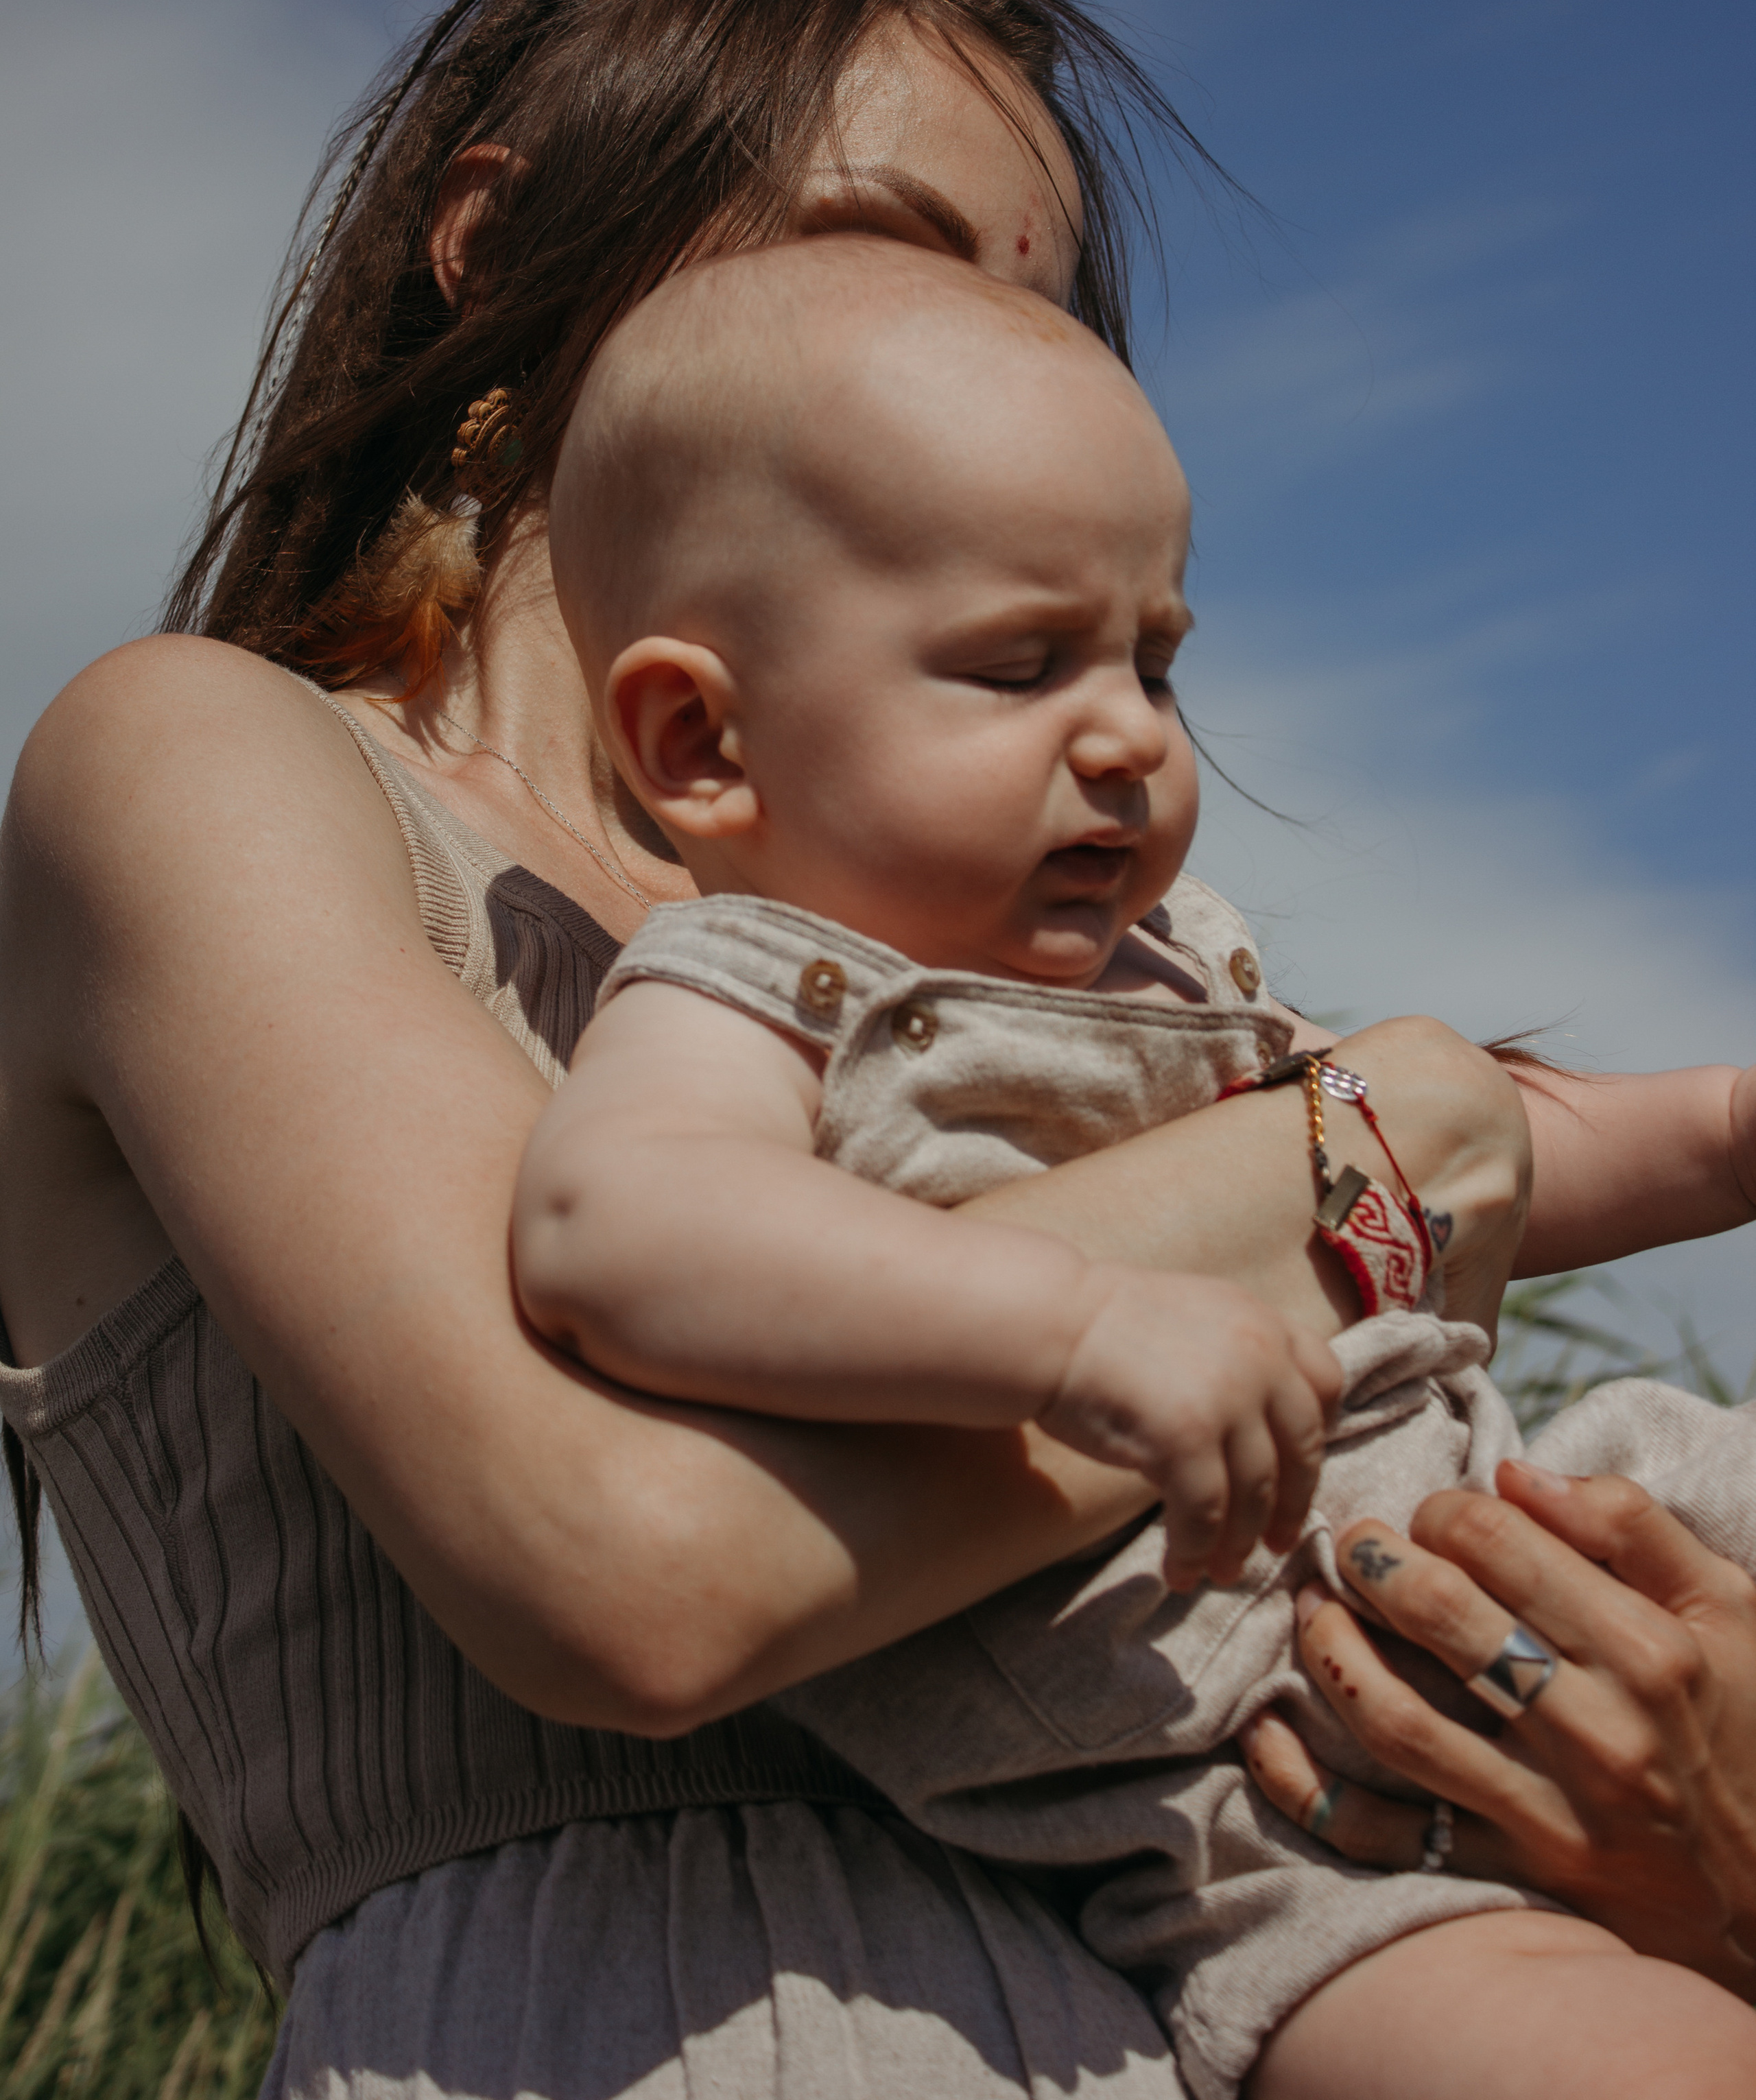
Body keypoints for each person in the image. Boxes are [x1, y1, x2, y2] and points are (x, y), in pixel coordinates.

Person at [0, 0, 1748, 2100]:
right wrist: (1390, 1145)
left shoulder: (1022, 953)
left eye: (1054, 319)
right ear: (493, 234)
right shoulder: (212, 762)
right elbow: (629, 1566)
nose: (996, 354)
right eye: (883, 243)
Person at [512, 230, 1756, 2099]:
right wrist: (1072, 1322)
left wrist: (1728, 1127)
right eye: (1020, 666)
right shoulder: (748, 993)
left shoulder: (1164, 970)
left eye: (1155, 662)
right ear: (701, 738)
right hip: (1264, 1789)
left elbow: (1455, 1170)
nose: (1129, 736)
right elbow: (615, 1229)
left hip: (1512, 1501)